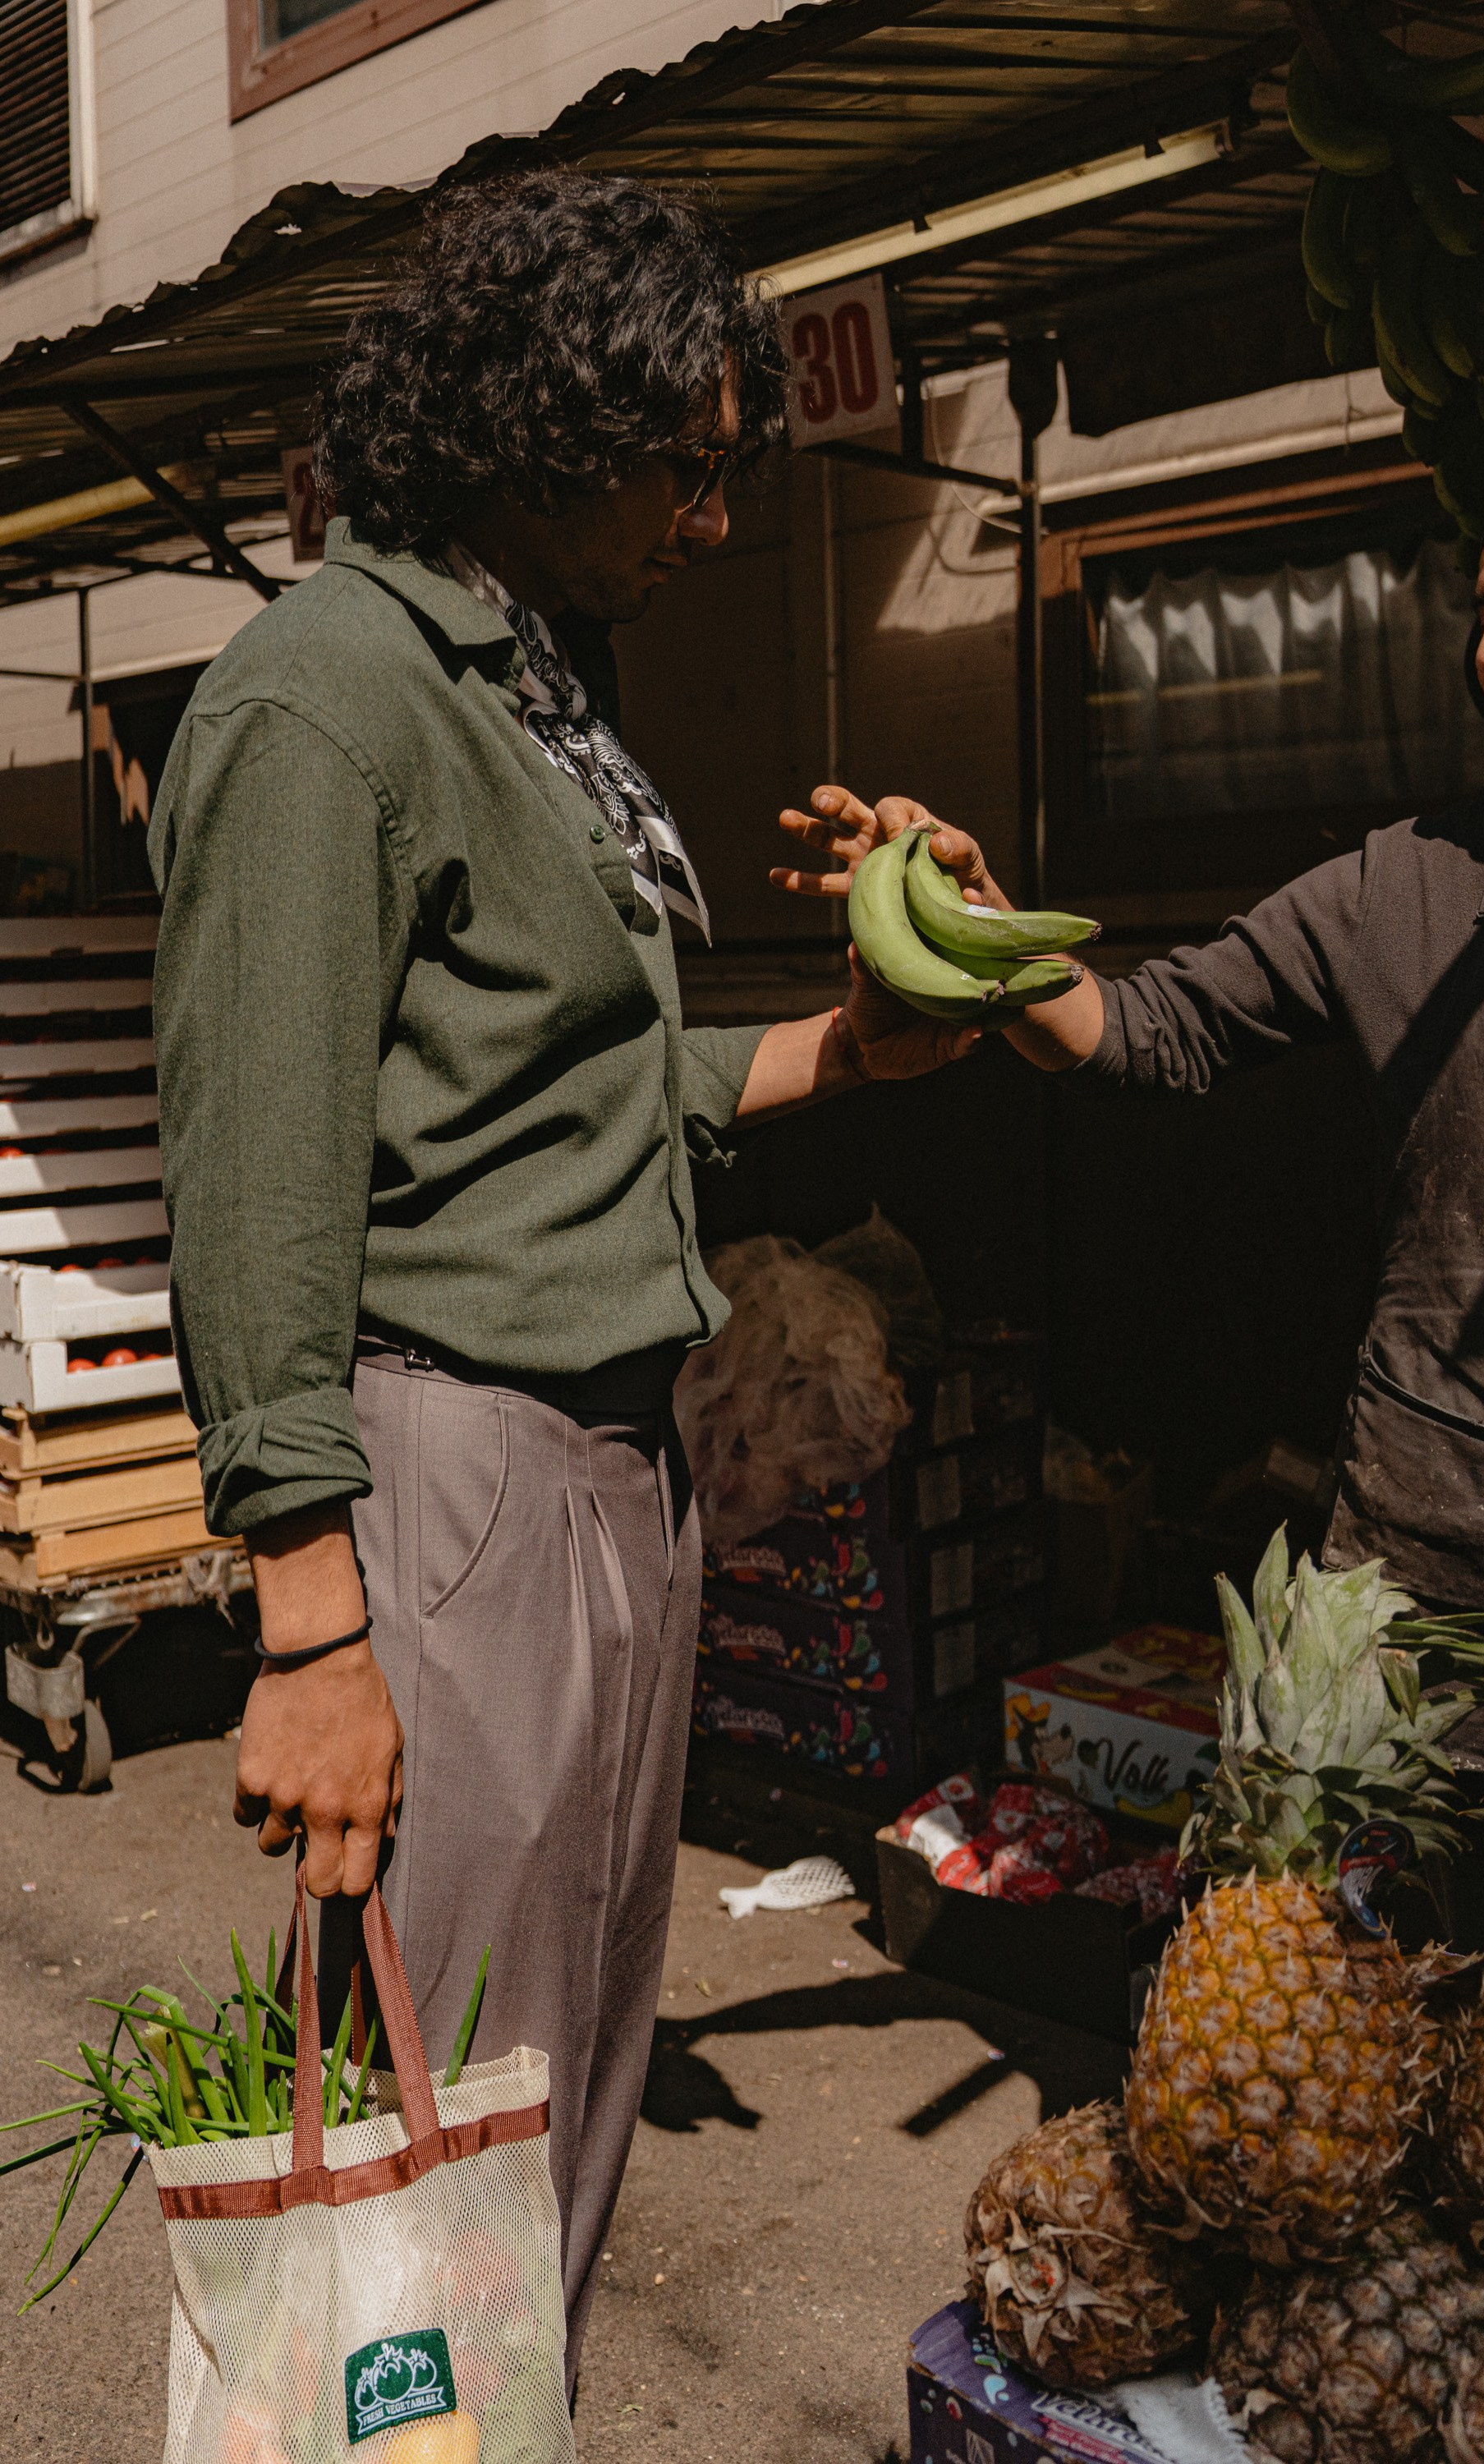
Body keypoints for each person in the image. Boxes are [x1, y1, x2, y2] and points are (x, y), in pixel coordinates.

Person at [148, 170, 978, 2381]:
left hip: (619, 1467)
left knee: (550, 2106)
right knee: (414, 2155)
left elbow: (576, 1084)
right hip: (451, 1476)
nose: (709, 523)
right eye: (679, 467)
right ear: (532, 419)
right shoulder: (328, 697)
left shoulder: (538, 682)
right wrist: (310, 1626)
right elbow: (256, 1178)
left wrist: (854, 1044)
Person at [777, 476, 1484, 1741]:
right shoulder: (1406, 882)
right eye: (1482, 612)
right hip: (1419, 1573)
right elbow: (1143, 1035)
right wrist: (968, 920)